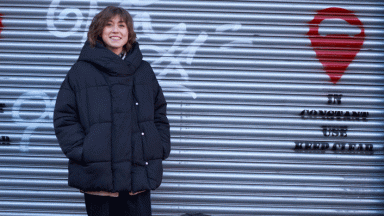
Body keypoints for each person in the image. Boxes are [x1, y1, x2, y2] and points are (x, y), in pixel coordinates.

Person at [53, 5, 170, 216]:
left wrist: (158, 146)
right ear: (98, 31)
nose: (116, 30)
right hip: (100, 178)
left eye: (121, 25)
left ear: (129, 33)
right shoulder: (81, 72)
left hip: (138, 176)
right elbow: (65, 117)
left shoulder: (144, 71)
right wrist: (85, 150)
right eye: (109, 25)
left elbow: (159, 113)